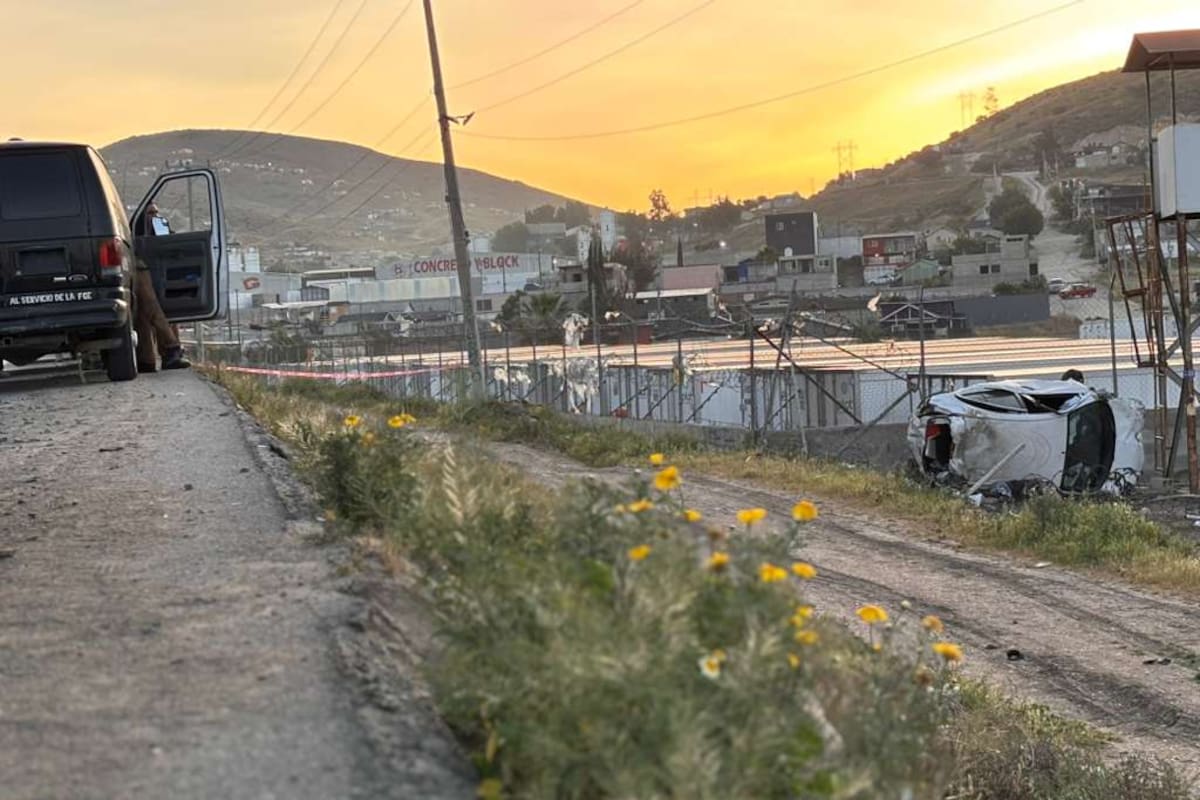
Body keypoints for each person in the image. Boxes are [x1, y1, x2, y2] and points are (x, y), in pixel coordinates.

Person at [133, 203, 189, 371]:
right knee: (148, 309)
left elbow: (171, 243)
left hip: (160, 274)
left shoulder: (160, 228)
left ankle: (164, 355)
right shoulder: (137, 231)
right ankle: (161, 353)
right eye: (150, 213)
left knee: (163, 310)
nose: (154, 216)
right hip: (141, 270)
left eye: (156, 213)